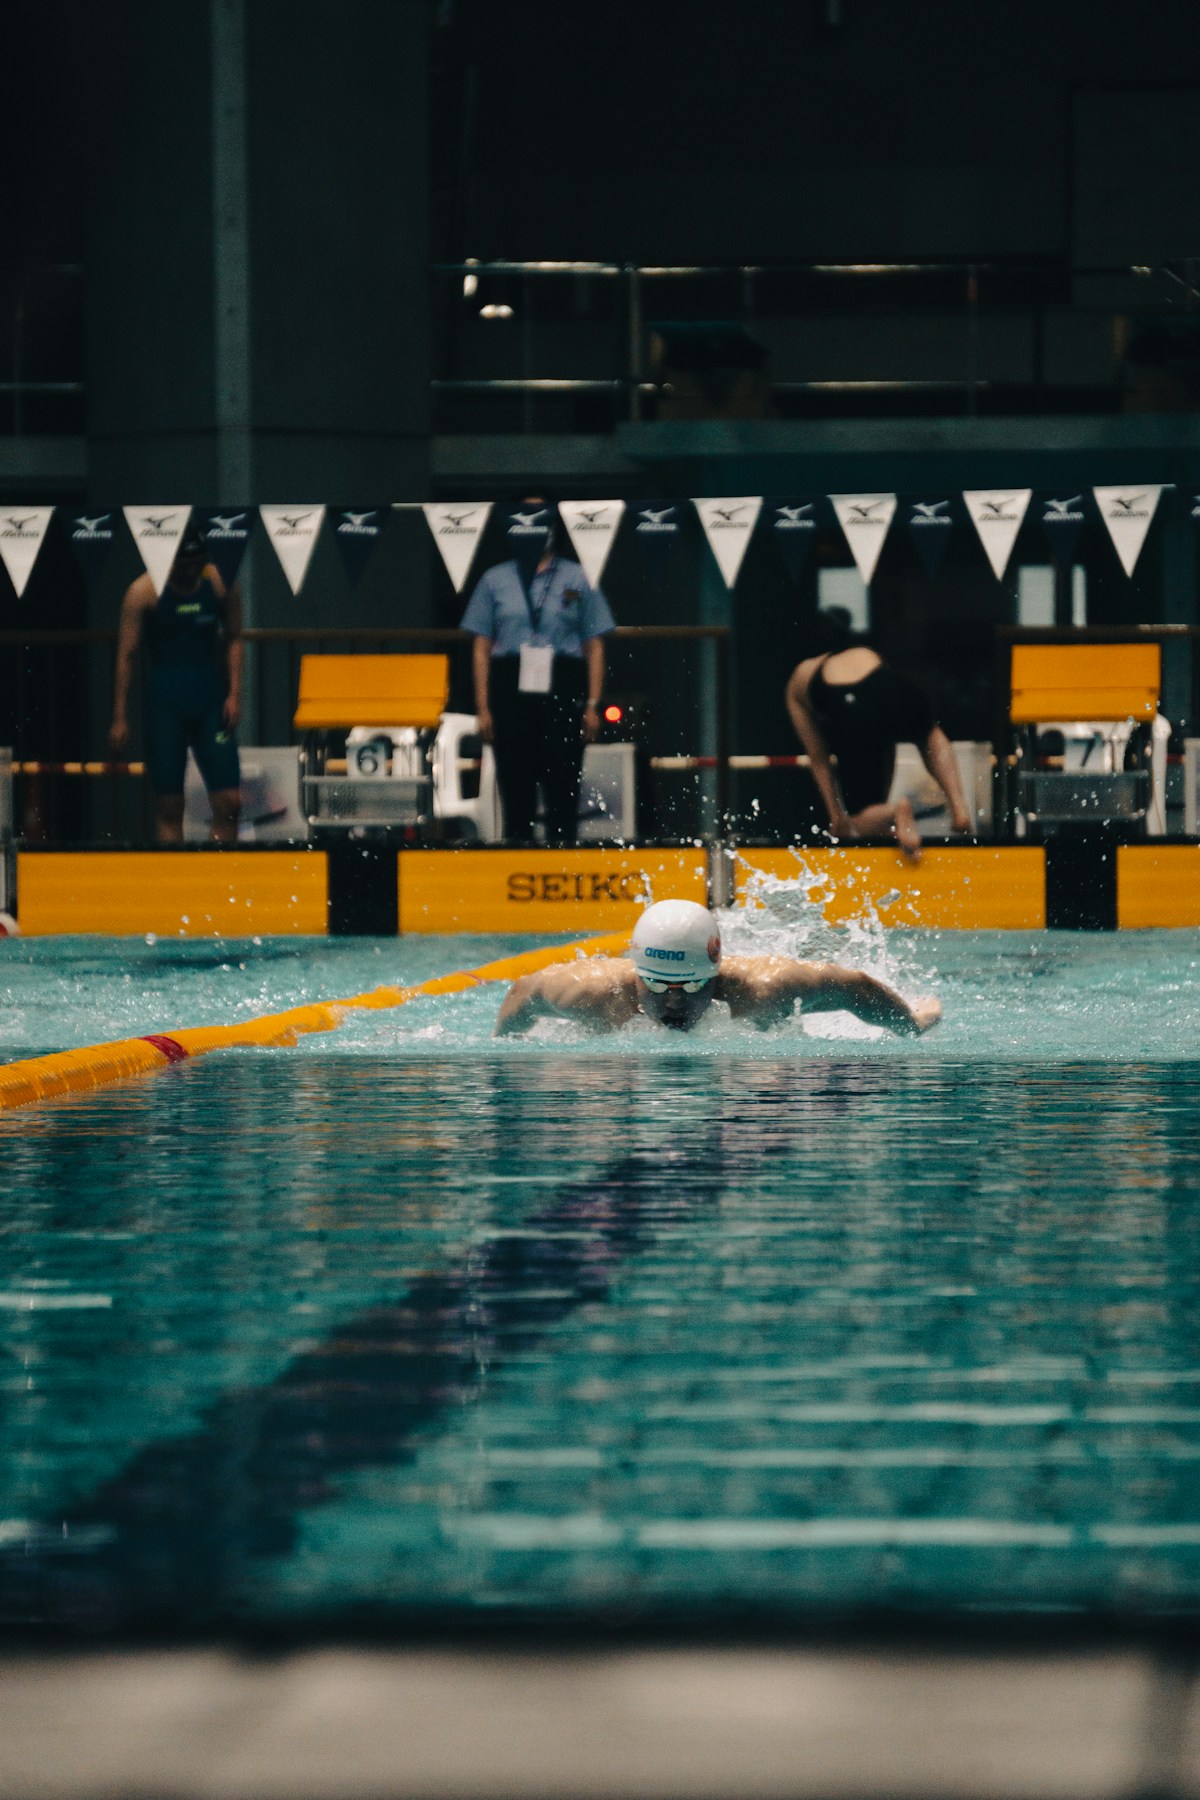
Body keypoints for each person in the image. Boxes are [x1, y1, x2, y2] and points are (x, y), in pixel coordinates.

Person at [494, 898, 940, 1038]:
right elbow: (521, 992)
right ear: (636, 974)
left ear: (714, 976)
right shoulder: (589, 993)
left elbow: (853, 986)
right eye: (657, 985)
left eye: (689, 987)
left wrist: (912, 1023)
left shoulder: (764, 989)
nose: (673, 1000)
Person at [460, 501, 615, 844]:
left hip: (562, 680)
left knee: (563, 774)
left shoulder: (577, 576)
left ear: (553, 528)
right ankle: (517, 851)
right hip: (510, 682)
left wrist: (593, 703)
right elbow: (481, 645)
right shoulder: (495, 579)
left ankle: (562, 855)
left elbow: (595, 643)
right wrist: (483, 707)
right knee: (515, 775)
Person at [785, 615, 971, 859]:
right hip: (886, 683)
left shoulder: (798, 681)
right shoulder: (864, 652)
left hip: (850, 708)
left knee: (859, 820)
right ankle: (959, 810)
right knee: (929, 733)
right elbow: (886, 741)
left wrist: (837, 816)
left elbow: (819, 759)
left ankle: (892, 812)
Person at [109, 532, 243, 844]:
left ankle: (217, 882)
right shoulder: (143, 592)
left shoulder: (222, 583)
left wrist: (235, 694)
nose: (190, 571)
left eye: (197, 564)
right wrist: (119, 716)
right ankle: (177, 885)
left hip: (210, 702)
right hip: (165, 706)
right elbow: (126, 655)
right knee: (169, 807)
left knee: (230, 802)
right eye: (183, 565)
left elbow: (235, 637)